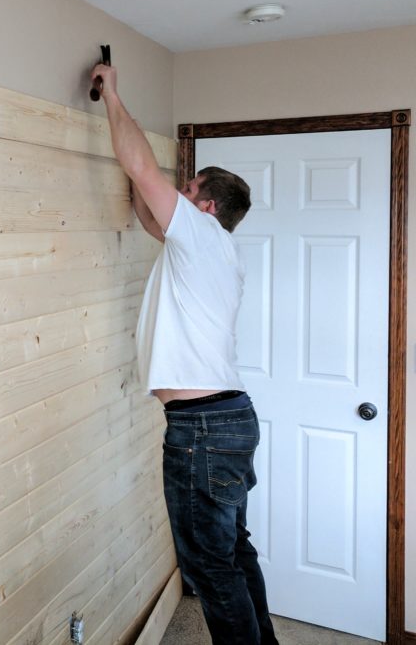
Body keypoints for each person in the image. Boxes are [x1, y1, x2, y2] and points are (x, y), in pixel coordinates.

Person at [90, 62, 278, 644]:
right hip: (225, 421)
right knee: (231, 551)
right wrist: (131, 142)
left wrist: (113, 97)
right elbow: (148, 208)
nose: (177, 190)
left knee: (209, 567)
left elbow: (143, 173)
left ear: (205, 208)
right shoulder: (213, 251)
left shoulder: (199, 238)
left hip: (202, 428)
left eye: (187, 187)